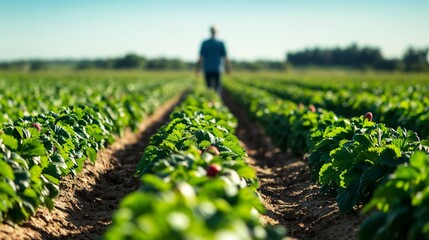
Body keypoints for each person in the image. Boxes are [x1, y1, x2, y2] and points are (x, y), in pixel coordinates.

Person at [196, 26, 231, 93]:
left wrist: (197, 69)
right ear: (217, 32)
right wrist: (228, 68)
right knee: (217, 87)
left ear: (210, 31)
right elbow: (226, 57)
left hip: (207, 68)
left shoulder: (205, 43)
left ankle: (209, 101)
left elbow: (200, 58)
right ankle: (216, 101)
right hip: (217, 69)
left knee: (208, 87)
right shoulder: (220, 43)